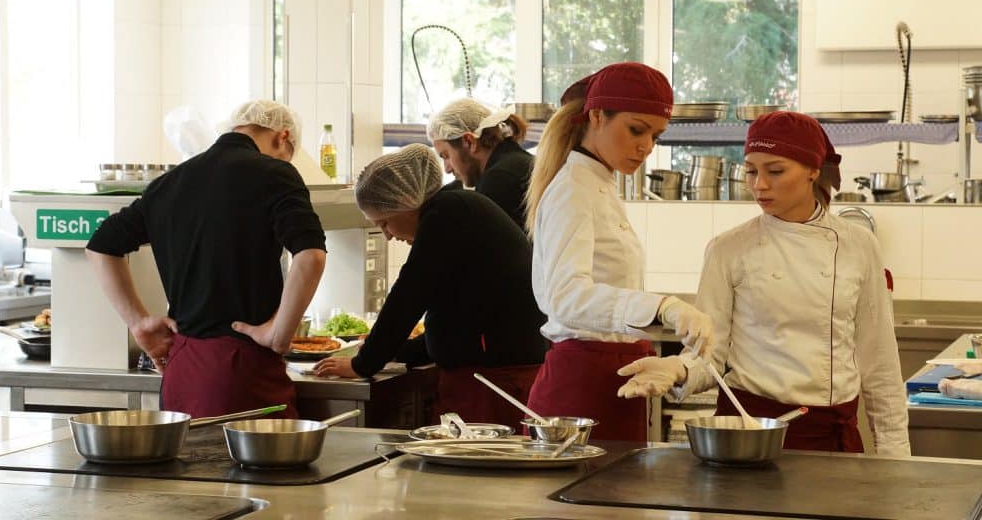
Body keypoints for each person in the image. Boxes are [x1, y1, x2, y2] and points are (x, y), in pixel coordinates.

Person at [618, 111, 911, 456]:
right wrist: (679, 369)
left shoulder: (858, 245)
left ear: (813, 170)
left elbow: (880, 363)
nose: (759, 184)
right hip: (748, 434)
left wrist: (896, 458)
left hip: (829, 438)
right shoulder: (729, 249)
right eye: (751, 171)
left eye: (775, 171)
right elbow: (710, 355)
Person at [85, 99, 327, 419]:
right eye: (288, 153)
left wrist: (138, 322)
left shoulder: (169, 182)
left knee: (188, 465)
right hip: (239, 370)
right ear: (283, 137)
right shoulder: (276, 174)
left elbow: (100, 245)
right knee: (253, 468)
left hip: (181, 368)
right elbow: (310, 256)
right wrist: (279, 333)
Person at [523, 62, 713, 442]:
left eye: (656, 136)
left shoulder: (600, 183)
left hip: (614, 377)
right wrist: (661, 306)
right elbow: (566, 297)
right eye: (636, 130)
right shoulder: (573, 189)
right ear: (596, 116)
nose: (646, 146)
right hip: (580, 384)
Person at [313, 143, 548, 430]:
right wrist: (401, 351)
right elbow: (457, 312)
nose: (387, 235)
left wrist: (363, 363)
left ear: (405, 202)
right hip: (492, 373)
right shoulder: (458, 209)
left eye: (385, 223)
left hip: (491, 380)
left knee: (482, 467)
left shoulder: (446, 215)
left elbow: (409, 295)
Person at [427, 98, 534, 229]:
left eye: (446, 156)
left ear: (469, 142)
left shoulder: (498, 181)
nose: (447, 169)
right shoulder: (516, 163)